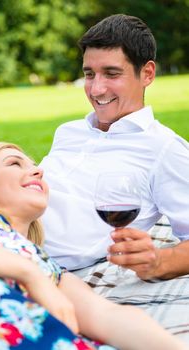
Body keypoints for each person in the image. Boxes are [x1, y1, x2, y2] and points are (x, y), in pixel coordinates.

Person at [0, 142, 186, 350]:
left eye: (35, 166)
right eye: (14, 163)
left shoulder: (48, 268)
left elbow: (108, 316)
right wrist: (29, 273)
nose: (38, 171)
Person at [40, 14, 189, 280]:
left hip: (27, 258)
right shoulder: (68, 132)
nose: (96, 90)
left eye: (111, 73)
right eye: (89, 74)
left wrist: (159, 262)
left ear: (147, 74)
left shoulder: (164, 149)